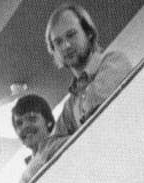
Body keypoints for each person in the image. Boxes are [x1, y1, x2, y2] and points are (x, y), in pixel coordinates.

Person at [47, 5, 133, 139]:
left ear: (88, 33)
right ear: (54, 51)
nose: (66, 46)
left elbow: (95, 108)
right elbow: (49, 145)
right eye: (58, 42)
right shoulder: (70, 105)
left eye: (71, 35)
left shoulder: (115, 61)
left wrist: (73, 139)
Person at [10, 93, 60, 183]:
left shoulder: (59, 145)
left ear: (48, 122)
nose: (25, 126)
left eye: (32, 119)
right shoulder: (31, 163)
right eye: (19, 123)